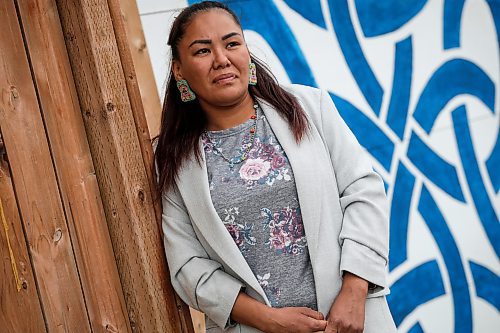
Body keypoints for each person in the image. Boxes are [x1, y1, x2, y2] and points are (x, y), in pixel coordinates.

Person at [154, 1, 397, 332]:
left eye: (232, 43)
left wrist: (354, 291)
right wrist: (268, 320)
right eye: (202, 51)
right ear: (179, 69)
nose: (222, 59)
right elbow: (188, 266)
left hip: (350, 321)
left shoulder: (310, 108)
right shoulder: (173, 159)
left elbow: (363, 191)